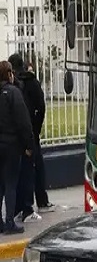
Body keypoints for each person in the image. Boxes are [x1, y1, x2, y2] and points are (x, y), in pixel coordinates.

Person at [9, 54, 53, 221]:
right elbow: (40, 108)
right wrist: (35, 130)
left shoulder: (11, 86)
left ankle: (16, 210)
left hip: (14, 137)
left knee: (14, 176)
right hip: (29, 134)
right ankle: (31, 206)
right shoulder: (30, 83)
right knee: (30, 169)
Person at [0, 60, 35, 234]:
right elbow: (24, 122)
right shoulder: (13, 93)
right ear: (9, 74)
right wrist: (29, 144)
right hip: (12, 146)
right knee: (10, 184)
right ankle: (9, 223)